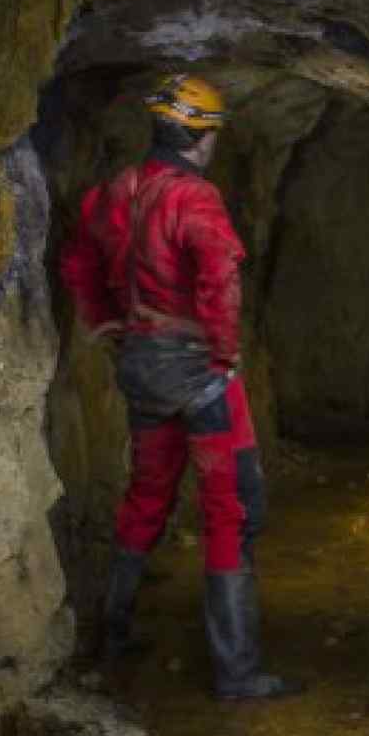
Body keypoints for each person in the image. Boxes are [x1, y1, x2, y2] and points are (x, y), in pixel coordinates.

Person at [58, 72, 302, 701]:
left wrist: (106, 320)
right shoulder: (194, 198)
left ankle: (114, 635)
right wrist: (224, 353)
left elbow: (78, 260)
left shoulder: (114, 192)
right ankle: (237, 671)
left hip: (140, 363)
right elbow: (219, 275)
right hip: (197, 371)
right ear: (203, 135)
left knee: (148, 493)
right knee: (231, 507)